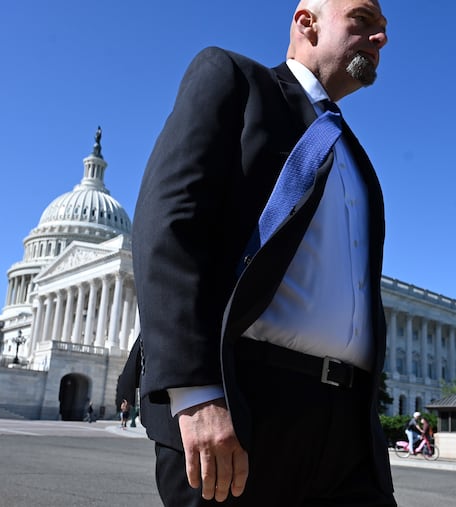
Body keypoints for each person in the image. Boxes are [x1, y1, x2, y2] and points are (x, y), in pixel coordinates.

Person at [129, 0, 392, 505]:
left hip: (348, 431)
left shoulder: (355, 154)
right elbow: (168, 222)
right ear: (306, 22)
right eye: (363, 20)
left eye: (383, 30)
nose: (380, 38)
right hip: (246, 401)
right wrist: (195, 391)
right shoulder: (235, 79)